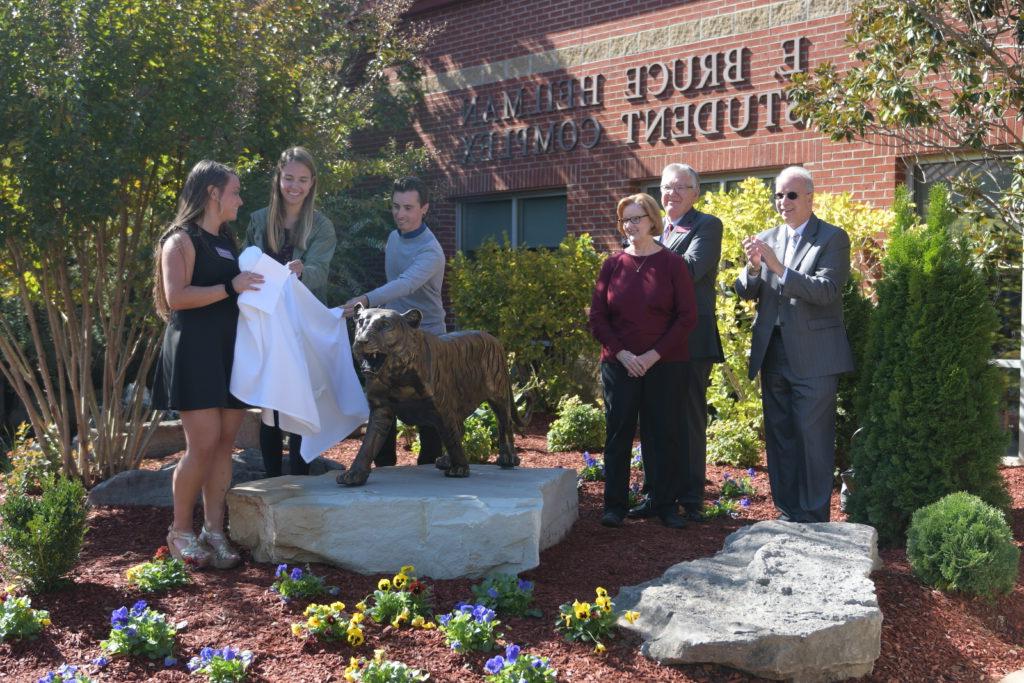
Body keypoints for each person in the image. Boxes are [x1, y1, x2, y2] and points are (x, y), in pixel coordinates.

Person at [152, 160, 265, 569]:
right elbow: (176, 297)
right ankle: (180, 530)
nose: (239, 199)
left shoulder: (227, 241)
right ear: (213, 193)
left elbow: (241, 294)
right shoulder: (179, 241)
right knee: (201, 444)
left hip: (230, 353)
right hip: (195, 351)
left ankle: (214, 531)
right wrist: (230, 286)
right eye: (234, 191)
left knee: (224, 445)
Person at [735, 165, 854, 523]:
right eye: (778, 195)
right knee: (781, 436)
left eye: (791, 195)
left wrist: (779, 266)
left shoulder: (832, 238)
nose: (783, 202)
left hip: (815, 358)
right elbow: (746, 290)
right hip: (774, 352)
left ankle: (814, 517)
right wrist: (754, 267)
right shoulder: (767, 236)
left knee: (813, 438)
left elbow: (828, 290)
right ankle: (787, 512)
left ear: (809, 198)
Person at [589, 193, 697, 529]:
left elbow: (686, 317)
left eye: (637, 218)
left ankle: (665, 505)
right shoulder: (612, 265)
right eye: (626, 220)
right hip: (619, 364)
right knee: (618, 434)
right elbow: (598, 317)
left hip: (665, 364)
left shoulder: (672, 264)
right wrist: (623, 353)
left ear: (653, 220)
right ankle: (614, 506)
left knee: (663, 433)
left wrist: (651, 356)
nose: (631, 225)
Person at [629, 163, 724, 523]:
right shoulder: (656, 232)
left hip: (690, 341)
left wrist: (645, 250)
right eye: (666, 188)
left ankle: (690, 497)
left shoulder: (706, 226)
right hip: (650, 343)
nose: (671, 194)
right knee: (652, 420)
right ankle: (655, 494)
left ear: (695, 193)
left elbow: (691, 268)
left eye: (681, 187)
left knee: (686, 420)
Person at [244, 147, 337, 477]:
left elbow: (319, 274)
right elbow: (246, 265)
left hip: (300, 325)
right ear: (278, 178)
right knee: (270, 405)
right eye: (288, 178)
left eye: (302, 180)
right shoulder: (258, 220)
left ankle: (299, 480)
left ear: (312, 183)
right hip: (266, 323)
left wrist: (301, 270)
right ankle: (271, 481)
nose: (294, 186)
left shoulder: (322, 227)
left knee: (298, 401)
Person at [341, 176, 446, 465]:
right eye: (396, 207)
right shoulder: (392, 237)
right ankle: (384, 471)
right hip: (391, 339)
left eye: (409, 208)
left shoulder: (431, 251)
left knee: (428, 413)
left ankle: (429, 478)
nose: (401, 214)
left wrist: (366, 299)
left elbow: (405, 284)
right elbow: (394, 292)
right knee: (381, 402)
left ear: (424, 208)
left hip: (427, 337)